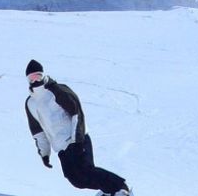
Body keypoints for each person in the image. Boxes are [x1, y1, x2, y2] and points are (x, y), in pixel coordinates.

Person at [24, 60, 132, 196]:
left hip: (77, 139)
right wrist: (44, 153)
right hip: (61, 146)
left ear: (43, 75)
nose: (35, 80)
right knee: (77, 180)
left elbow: (77, 113)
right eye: (31, 78)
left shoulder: (57, 90)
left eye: (38, 76)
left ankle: (120, 188)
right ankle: (108, 191)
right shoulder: (30, 103)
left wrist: (77, 139)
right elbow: (38, 131)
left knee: (86, 170)